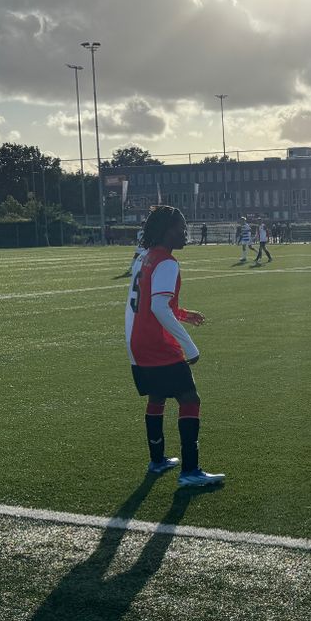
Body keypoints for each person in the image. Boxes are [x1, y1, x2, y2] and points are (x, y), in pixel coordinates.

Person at [125, 206, 224, 488]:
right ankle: (190, 471)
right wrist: (189, 346)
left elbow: (148, 303)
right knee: (189, 398)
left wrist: (182, 313)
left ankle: (157, 460)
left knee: (157, 396)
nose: (184, 232)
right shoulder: (167, 262)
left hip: (138, 341)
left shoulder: (144, 258)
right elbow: (157, 306)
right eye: (181, 227)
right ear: (168, 230)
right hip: (157, 343)